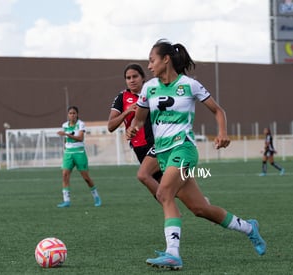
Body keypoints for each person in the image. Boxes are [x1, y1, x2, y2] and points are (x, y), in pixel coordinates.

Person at [126, 39, 266, 270]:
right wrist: (134, 127)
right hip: (162, 152)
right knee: (200, 209)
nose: (149, 66)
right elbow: (141, 118)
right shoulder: (149, 88)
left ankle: (173, 253)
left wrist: (222, 132)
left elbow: (217, 110)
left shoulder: (190, 85)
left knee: (164, 192)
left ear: (166, 59)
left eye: (152, 60)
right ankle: (249, 228)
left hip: (184, 149)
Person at [107, 64, 161, 197]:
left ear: (143, 78)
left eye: (135, 76)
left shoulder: (154, 91)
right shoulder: (122, 98)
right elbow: (110, 126)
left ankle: (174, 210)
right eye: (128, 78)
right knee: (157, 184)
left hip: (158, 143)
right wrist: (127, 112)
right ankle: (195, 201)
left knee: (152, 178)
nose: (131, 80)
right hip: (139, 147)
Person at [56, 106, 102, 208]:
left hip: (79, 152)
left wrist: (66, 134)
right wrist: (65, 146)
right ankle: (66, 200)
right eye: (70, 113)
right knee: (65, 175)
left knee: (86, 177)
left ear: (77, 114)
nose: (72, 115)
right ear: (68, 115)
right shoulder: (65, 125)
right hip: (68, 153)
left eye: (74, 113)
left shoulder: (80, 124)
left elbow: (80, 138)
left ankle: (96, 197)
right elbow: (65, 140)